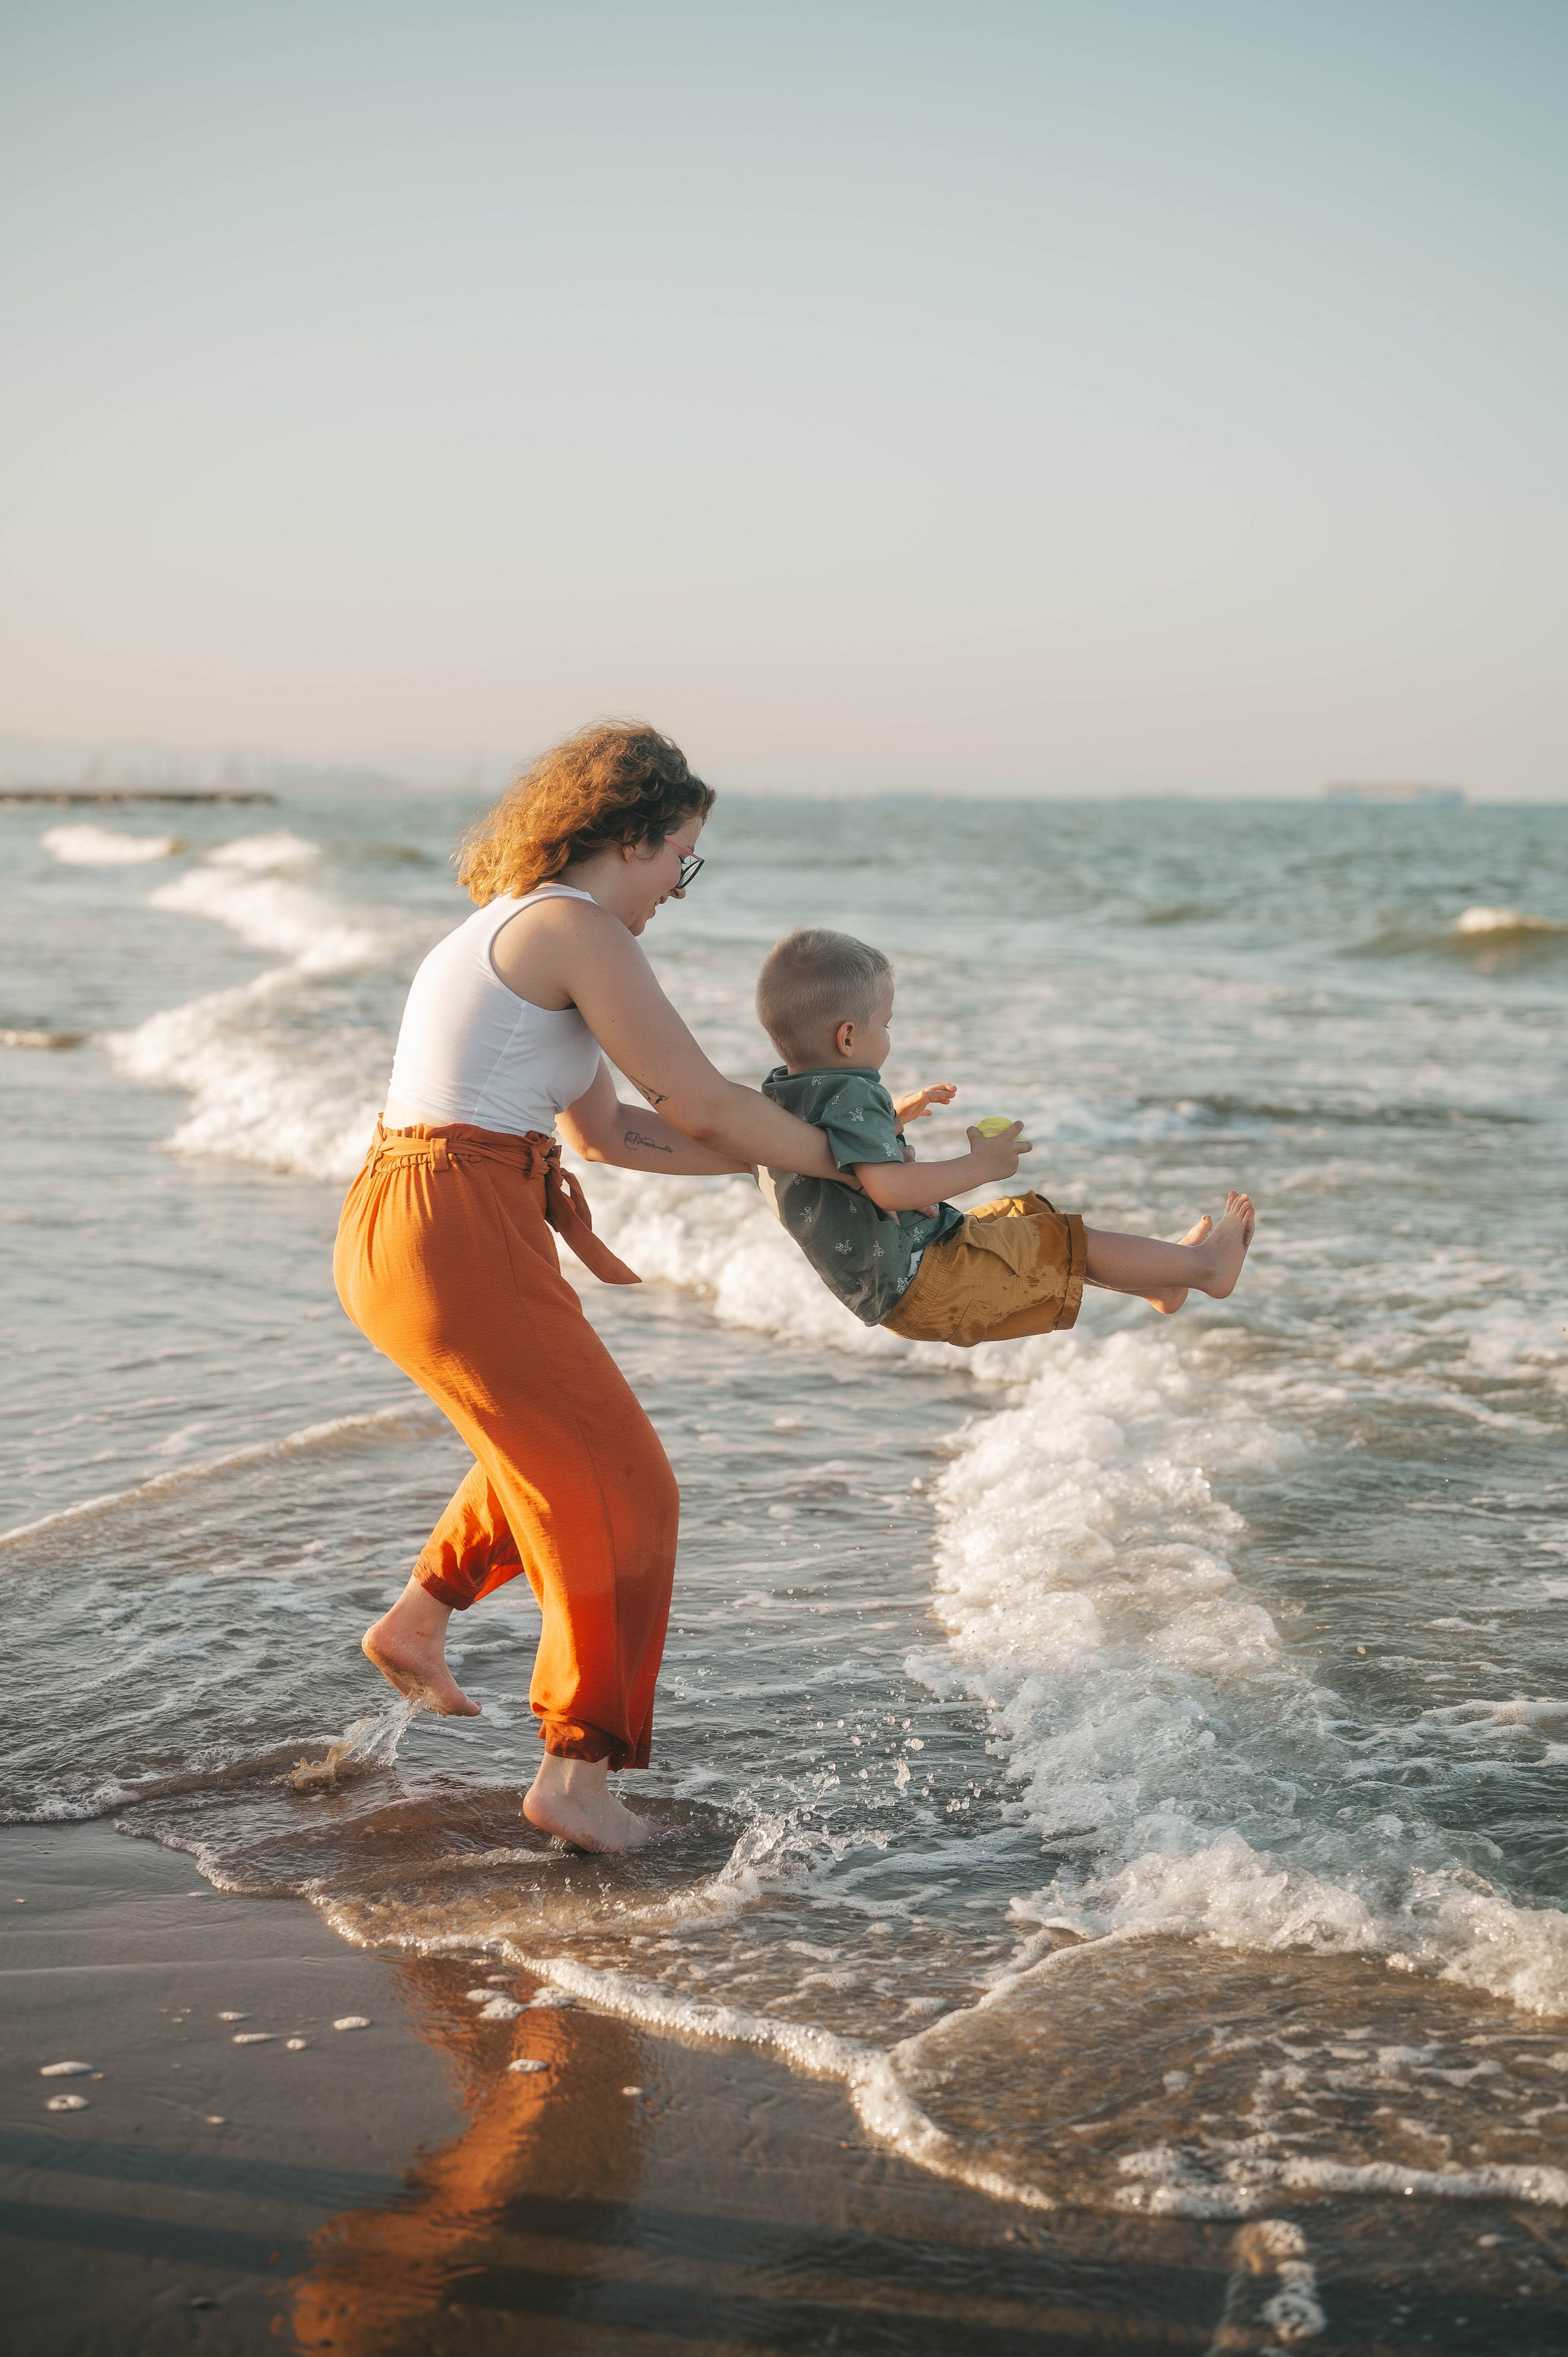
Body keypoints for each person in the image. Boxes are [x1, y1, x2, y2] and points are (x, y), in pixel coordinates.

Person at [334, 725, 853, 1855]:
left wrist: (813, 1141)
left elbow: (617, 1132)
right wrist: (862, 1164)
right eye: (682, 856)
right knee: (630, 1487)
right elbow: (707, 1101)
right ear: (631, 836)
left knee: (548, 1453)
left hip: (419, 1215)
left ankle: (418, 1621)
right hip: (456, 1220)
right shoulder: (575, 928)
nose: (681, 884)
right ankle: (576, 1776)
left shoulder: (517, 928)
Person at [753, 926, 1254, 1346]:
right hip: (925, 1279)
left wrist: (893, 1122)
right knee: (1058, 1240)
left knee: (1028, 1222)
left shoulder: (785, 1095)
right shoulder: (852, 1095)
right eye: (886, 1025)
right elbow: (887, 1188)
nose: (889, 1036)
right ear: (847, 1038)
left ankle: (1163, 1283)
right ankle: (1207, 1267)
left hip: (902, 1281)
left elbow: (840, 1166)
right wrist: (979, 1166)